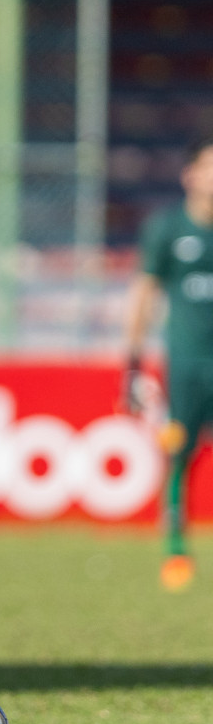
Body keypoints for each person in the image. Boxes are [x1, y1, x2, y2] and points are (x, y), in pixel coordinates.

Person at [126, 137, 213, 592]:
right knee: (180, 452)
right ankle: (176, 549)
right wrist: (133, 361)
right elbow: (144, 292)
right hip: (187, 365)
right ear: (191, 176)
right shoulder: (167, 229)